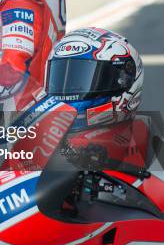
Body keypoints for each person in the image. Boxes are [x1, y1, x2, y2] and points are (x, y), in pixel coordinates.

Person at [45, 27, 160, 171]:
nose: (67, 90)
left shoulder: (142, 141)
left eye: (81, 81)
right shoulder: (44, 134)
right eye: (61, 78)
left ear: (124, 82)